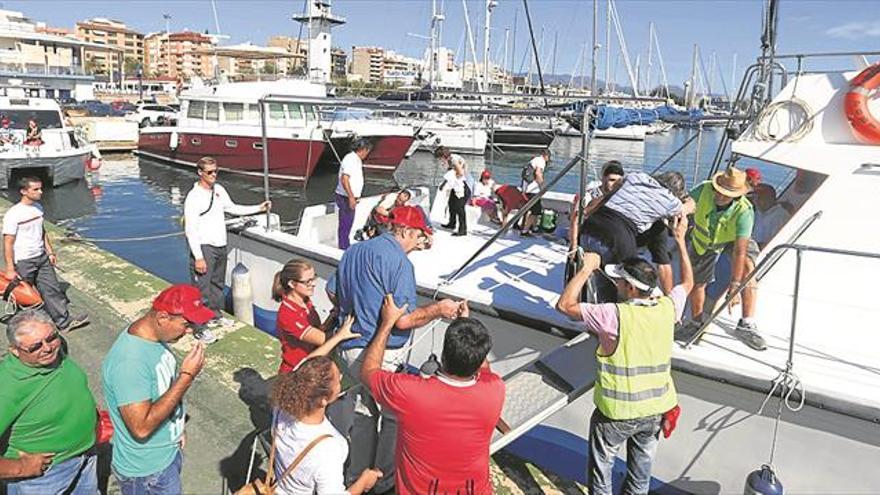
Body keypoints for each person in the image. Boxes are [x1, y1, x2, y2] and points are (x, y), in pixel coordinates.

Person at [325, 205, 465, 492]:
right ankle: (383, 480)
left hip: (349, 346)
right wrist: (439, 309)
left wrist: (352, 312)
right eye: (418, 236)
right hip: (380, 355)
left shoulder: (354, 250)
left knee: (364, 412)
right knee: (395, 415)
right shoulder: (400, 263)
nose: (419, 243)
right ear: (405, 231)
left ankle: (357, 477)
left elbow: (332, 291)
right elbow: (401, 321)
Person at [556, 213, 693, 495]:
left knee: (601, 473)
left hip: (616, 415)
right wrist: (680, 241)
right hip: (655, 411)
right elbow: (688, 284)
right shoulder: (669, 308)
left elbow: (564, 306)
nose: (616, 284)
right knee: (640, 476)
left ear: (631, 288)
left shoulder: (613, 315)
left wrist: (586, 269)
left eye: (620, 282)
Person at [361, 295, 504, 494]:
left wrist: (387, 323)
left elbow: (368, 372)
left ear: (443, 355)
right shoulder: (495, 389)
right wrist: (465, 327)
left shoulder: (411, 393)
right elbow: (483, 367)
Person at [102, 284, 213, 495]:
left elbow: (160, 391)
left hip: (165, 454)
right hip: (146, 472)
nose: (190, 331)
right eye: (186, 324)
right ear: (163, 318)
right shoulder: (130, 362)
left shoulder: (154, 338)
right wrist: (187, 376)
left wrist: (177, 428)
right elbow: (141, 427)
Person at [0, 309, 98, 494]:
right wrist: (21, 467)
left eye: (52, 337)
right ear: (14, 350)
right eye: (35, 347)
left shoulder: (58, 351)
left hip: (86, 456)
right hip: (44, 476)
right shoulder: (6, 386)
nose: (47, 348)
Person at [183, 156, 270, 342]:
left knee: (217, 285)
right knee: (201, 290)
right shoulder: (193, 197)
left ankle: (214, 315)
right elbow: (190, 229)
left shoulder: (219, 190)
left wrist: (259, 207)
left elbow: (233, 208)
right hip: (205, 246)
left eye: (216, 171)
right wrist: (198, 257)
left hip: (220, 245)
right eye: (209, 172)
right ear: (200, 173)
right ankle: (199, 327)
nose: (214, 175)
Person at [271, 355, 383, 495]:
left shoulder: (282, 408)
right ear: (324, 400)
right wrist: (364, 481)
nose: (341, 377)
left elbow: (303, 368)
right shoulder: (329, 448)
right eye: (337, 380)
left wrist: (338, 337)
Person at [682, 167, 765, 351]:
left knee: (748, 266)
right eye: (718, 191)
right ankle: (695, 323)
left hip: (732, 239)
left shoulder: (745, 211)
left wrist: (735, 285)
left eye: (726, 194)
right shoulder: (704, 189)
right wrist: (682, 211)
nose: (719, 196)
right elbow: (688, 202)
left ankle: (747, 323)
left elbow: (740, 250)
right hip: (704, 241)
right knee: (698, 283)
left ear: (736, 196)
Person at [579, 171, 694, 299]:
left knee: (596, 273)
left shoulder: (637, 176)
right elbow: (689, 208)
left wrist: (589, 211)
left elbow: (614, 189)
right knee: (629, 283)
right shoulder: (670, 201)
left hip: (590, 227)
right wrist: (687, 199)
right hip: (618, 236)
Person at [3, 176, 89, 332]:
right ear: (24, 191)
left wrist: (49, 252)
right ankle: (24, 328)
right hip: (24, 260)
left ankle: (63, 322)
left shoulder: (38, 208)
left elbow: (42, 231)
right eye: (35, 189)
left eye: (40, 188)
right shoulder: (14, 214)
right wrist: (10, 268)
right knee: (24, 296)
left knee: (52, 289)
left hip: (41, 257)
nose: (40, 192)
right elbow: (8, 242)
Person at [272, 259, 340, 374]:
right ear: (292, 284)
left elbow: (318, 330)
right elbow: (323, 339)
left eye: (313, 278)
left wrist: (334, 314)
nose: (313, 284)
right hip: (297, 372)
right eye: (307, 281)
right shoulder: (288, 314)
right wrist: (344, 332)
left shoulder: (305, 301)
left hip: (312, 367)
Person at [569, 161, 625, 251]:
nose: (615, 184)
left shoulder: (622, 195)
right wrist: (573, 245)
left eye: (619, 181)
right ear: (603, 179)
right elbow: (575, 218)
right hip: (590, 237)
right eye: (612, 180)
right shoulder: (590, 195)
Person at [336, 138, 373, 250]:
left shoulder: (356, 160)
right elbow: (345, 179)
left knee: (348, 223)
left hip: (350, 197)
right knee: (345, 224)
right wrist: (351, 197)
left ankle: (345, 245)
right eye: (367, 151)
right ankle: (343, 247)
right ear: (363, 149)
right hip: (346, 197)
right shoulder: (350, 159)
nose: (367, 154)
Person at [435, 146, 473, 236]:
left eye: (439, 158)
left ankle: (463, 230)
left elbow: (460, 173)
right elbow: (451, 173)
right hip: (457, 186)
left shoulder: (453, 160)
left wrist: (448, 182)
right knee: (451, 203)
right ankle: (452, 223)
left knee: (459, 207)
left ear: (443, 156)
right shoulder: (450, 160)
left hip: (464, 185)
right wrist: (445, 183)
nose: (439, 160)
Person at [520, 148, 550, 236]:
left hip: (526, 189)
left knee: (532, 209)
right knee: (535, 211)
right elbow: (538, 174)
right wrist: (543, 187)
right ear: (546, 156)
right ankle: (525, 230)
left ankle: (534, 227)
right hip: (533, 190)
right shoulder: (541, 161)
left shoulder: (533, 160)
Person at [751, 184, 790, 248]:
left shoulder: (781, 215)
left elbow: (775, 243)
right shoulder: (756, 212)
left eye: (760, 197)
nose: (756, 200)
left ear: (770, 198)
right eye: (755, 197)